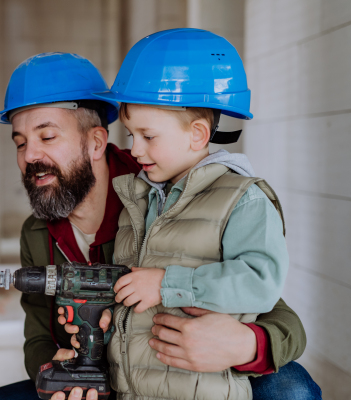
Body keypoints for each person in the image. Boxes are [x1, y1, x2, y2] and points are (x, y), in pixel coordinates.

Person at [0, 52, 320, 400]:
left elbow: (277, 312)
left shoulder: (153, 200)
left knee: (291, 389)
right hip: (114, 382)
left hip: (188, 374)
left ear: (95, 142)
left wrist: (246, 345)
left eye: (46, 137)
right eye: (20, 143)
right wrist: (54, 368)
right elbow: (37, 335)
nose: (29, 156)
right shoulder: (36, 232)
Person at [86, 27, 286, 400]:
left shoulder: (242, 198)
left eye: (148, 136)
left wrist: (165, 284)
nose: (136, 150)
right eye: (130, 136)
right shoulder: (141, 197)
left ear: (196, 135)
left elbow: (261, 282)